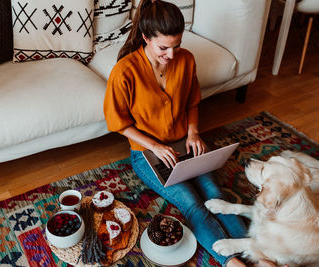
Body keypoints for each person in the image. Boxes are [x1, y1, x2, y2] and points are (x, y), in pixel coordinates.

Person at [103, 0, 249, 266]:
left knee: (216, 196)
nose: (171, 54)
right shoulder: (124, 71)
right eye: (163, 47)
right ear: (146, 37)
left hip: (186, 145)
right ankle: (231, 262)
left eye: (177, 45)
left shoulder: (186, 59)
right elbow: (118, 123)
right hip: (148, 154)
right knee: (192, 204)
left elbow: (193, 101)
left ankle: (257, 255)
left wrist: (193, 132)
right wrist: (156, 147)